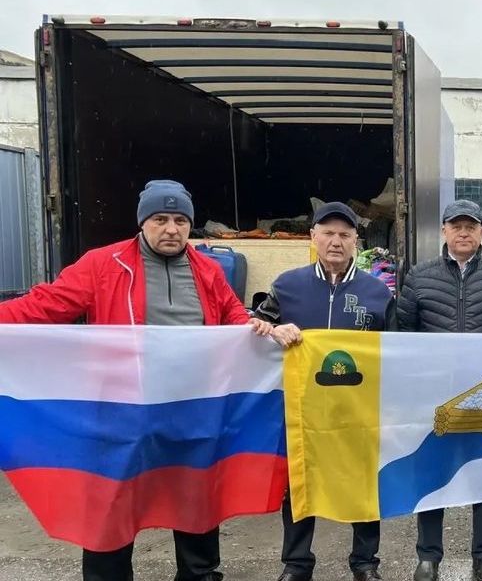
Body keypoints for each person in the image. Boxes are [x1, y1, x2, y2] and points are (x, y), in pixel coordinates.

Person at [0, 179, 248, 581]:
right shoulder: (104, 264)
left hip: (191, 409)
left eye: (181, 220)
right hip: (121, 411)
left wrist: (263, 330)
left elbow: (234, 316)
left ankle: (200, 575)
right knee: (111, 507)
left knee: (197, 500)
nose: (171, 229)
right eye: (160, 219)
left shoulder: (209, 270)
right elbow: (45, 305)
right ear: (142, 222)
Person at [249, 202, 395, 581]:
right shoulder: (287, 286)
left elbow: (396, 350)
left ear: (355, 240)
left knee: (364, 483)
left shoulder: (378, 293)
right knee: (300, 483)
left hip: (359, 410)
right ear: (313, 237)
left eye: (344, 235)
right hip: (303, 410)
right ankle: (297, 563)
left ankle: (365, 563)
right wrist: (271, 329)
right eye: (328, 233)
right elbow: (254, 327)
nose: (336, 241)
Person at [396, 199, 482, 581]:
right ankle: (428, 556)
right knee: (431, 474)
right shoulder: (418, 277)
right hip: (434, 397)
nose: (463, 232)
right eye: (456, 226)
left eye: (471, 226)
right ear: (444, 231)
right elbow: (402, 338)